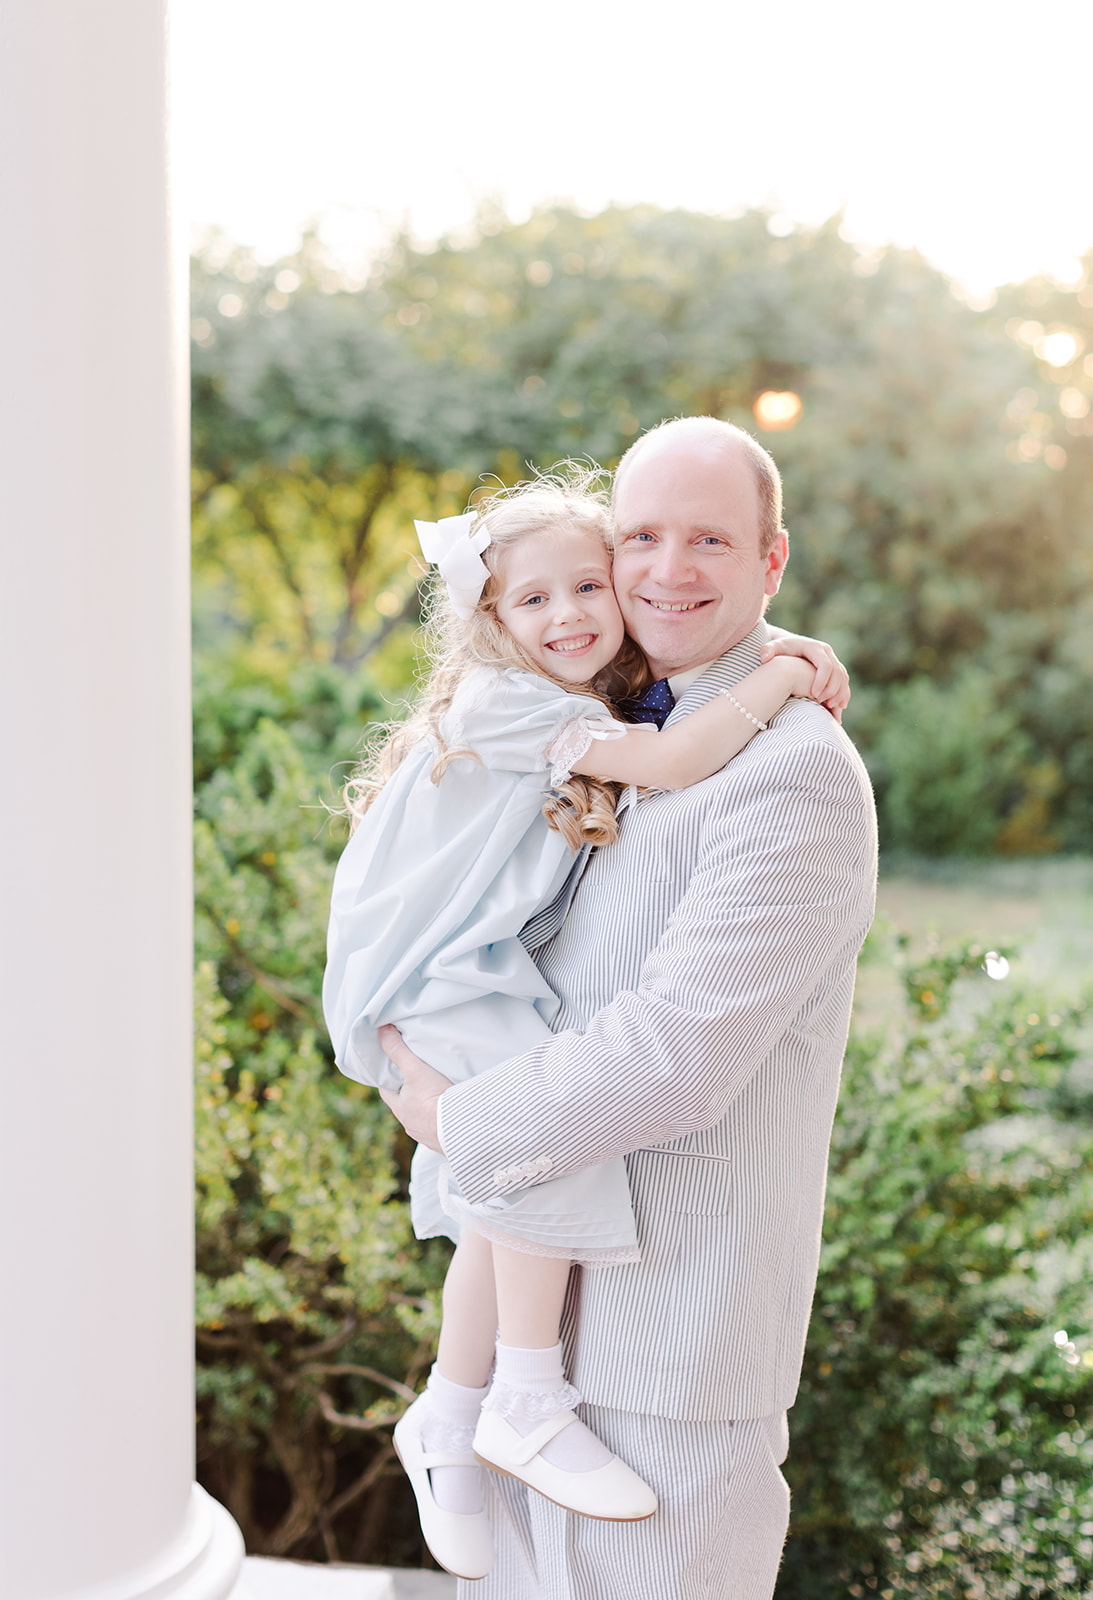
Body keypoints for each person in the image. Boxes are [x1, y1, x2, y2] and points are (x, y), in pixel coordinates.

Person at [379, 417, 879, 1600]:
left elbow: (673, 1056)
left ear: (772, 561)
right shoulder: (607, 717)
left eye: (711, 539)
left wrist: (457, 1120)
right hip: (529, 1361)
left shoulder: (793, 772)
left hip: (670, 1356)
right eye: (642, 536)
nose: (667, 570)